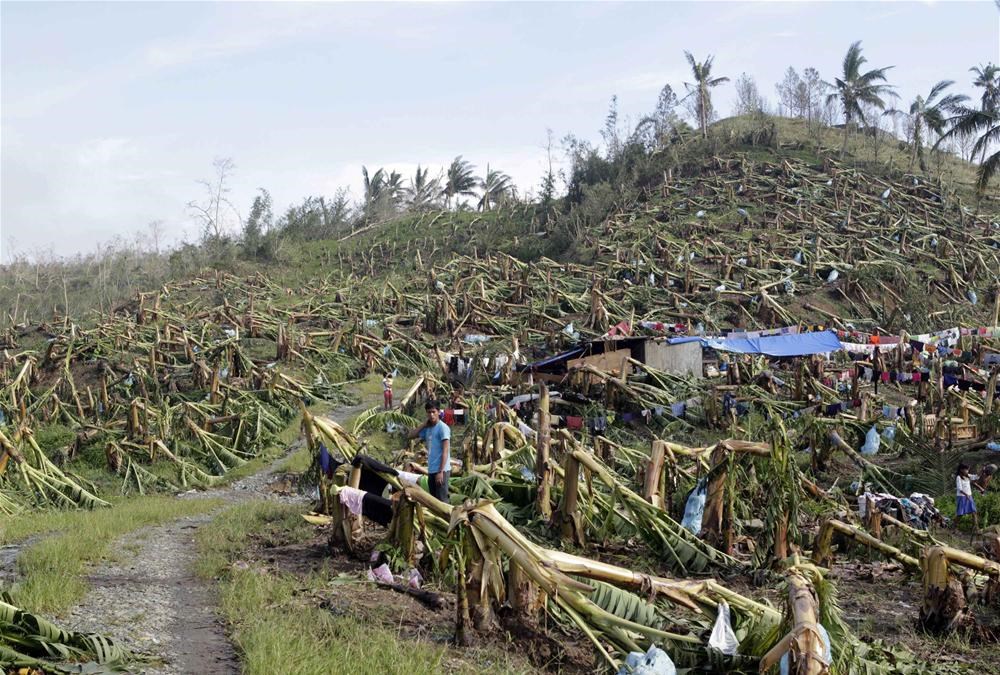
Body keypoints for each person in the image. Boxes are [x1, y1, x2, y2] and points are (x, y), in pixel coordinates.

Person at [409, 401, 451, 503]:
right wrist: (423, 425)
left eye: (433, 412)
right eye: (429, 412)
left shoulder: (443, 428)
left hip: (441, 470)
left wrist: (440, 471)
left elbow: (445, 450)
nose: (431, 415)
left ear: (438, 412)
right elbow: (411, 435)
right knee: (433, 502)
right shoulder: (428, 429)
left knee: (442, 501)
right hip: (431, 470)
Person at [955, 463, 979, 535]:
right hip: (962, 497)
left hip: (969, 496)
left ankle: (976, 528)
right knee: (960, 514)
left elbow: (976, 476)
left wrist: (982, 470)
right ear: (961, 470)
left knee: (974, 512)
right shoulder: (958, 477)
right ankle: (954, 527)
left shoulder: (968, 476)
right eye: (966, 469)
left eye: (968, 469)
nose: (967, 471)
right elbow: (959, 488)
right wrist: (966, 495)